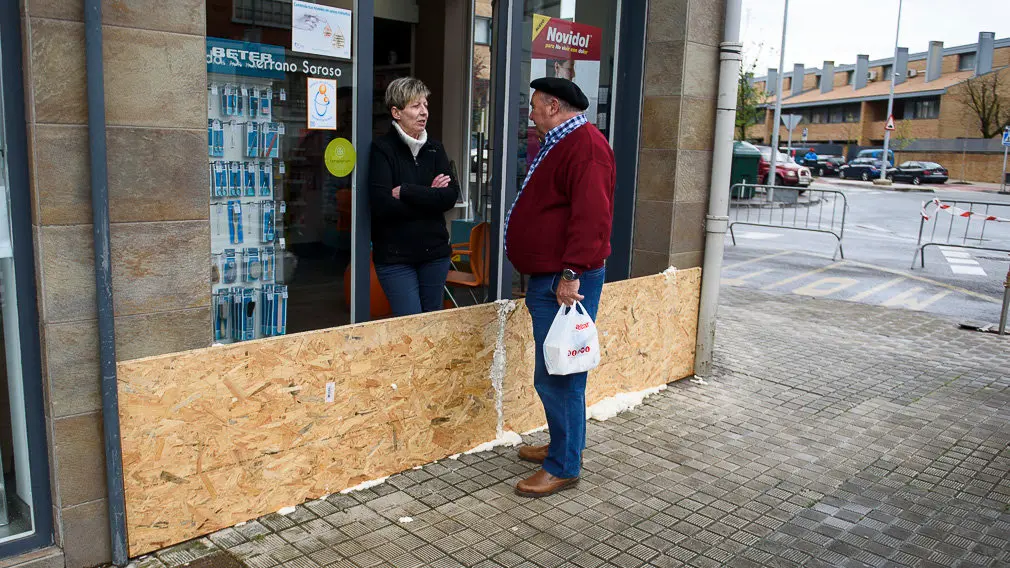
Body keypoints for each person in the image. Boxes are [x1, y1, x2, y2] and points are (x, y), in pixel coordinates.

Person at [505, 77, 615, 498]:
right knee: (558, 370)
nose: (531, 113)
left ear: (553, 106)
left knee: (560, 375)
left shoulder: (585, 146)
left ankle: (563, 466)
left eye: (535, 105)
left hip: (563, 280)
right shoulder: (563, 140)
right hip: (554, 277)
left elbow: (593, 217)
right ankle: (563, 446)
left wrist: (571, 273)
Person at [368, 77, 459, 317]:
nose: (424, 112)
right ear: (396, 112)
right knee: (410, 323)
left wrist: (407, 191)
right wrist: (431, 196)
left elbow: (450, 196)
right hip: (396, 258)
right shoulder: (382, 149)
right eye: (416, 106)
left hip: (435, 255)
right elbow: (383, 205)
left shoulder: (435, 149)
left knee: (432, 321)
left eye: (425, 105)